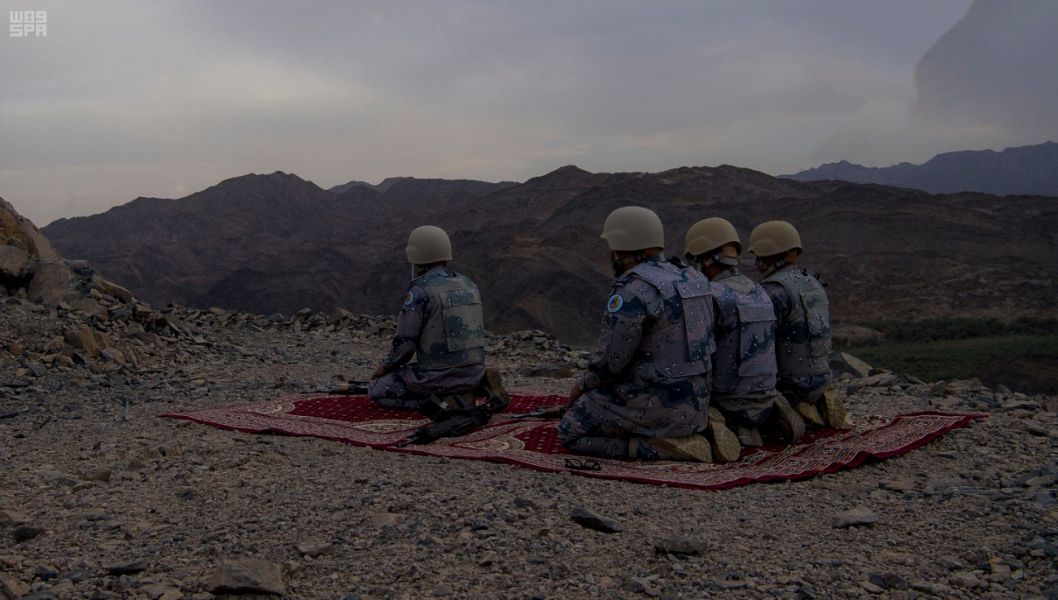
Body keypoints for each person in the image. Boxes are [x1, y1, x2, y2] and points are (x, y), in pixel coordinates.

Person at [558, 206, 729, 462]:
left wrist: (582, 387)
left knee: (570, 429)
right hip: (698, 403)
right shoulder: (695, 279)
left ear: (622, 247)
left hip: (658, 405)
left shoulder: (633, 289)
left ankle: (656, 447)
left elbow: (610, 364)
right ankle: (697, 429)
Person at [683, 218, 805, 447]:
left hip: (726, 400)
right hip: (765, 396)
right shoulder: (759, 290)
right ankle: (760, 416)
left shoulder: (710, 296)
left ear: (704, 260)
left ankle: (723, 426)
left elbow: (694, 355)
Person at [368, 225, 505, 411]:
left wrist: (386, 368)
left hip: (436, 376)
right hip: (473, 372)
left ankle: (440, 402)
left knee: (376, 390)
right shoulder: (469, 285)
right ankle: (477, 385)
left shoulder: (420, 291)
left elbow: (405, 344)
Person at [747, 220, 845, 428]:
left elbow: (758, 344)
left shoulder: (773, 290)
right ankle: (816, 402)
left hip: (788, 385)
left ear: (771, 253)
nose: (756, 262)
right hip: (820, 376)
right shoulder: (813, 281)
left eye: (759, 256)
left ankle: (783, 415)